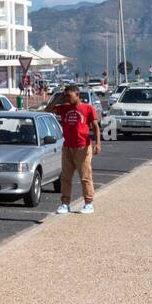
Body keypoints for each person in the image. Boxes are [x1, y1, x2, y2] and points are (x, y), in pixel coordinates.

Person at [47, 84, 102, 214]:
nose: (67, 98)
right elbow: (48, 109)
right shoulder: (64, 107)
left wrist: (98, 143)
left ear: (77, 95)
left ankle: (88, 203)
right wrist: (58, 98)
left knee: (85, 177)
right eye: (65, 96)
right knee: (65, 177)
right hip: (67, 147)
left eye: (69, 96)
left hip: (83, 147)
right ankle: (65, 204)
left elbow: (95, 127)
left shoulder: (88, 108)